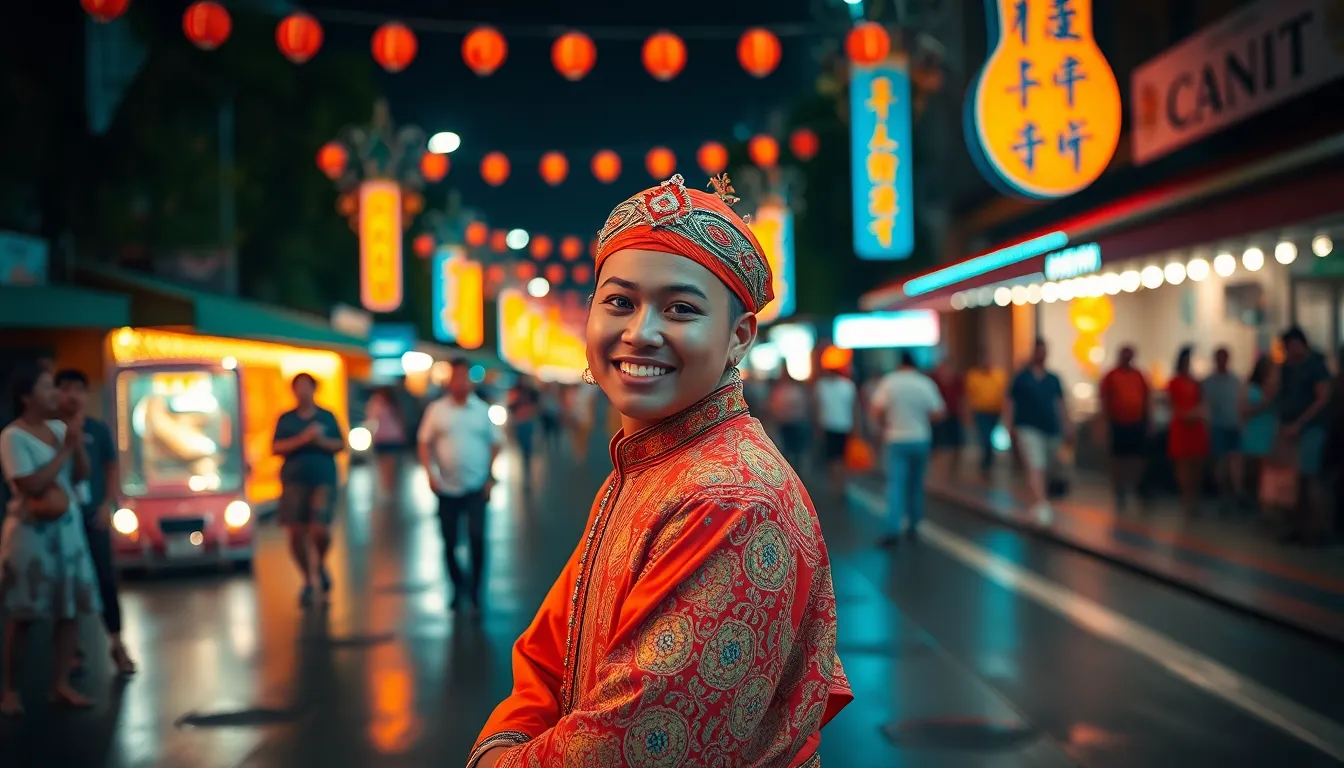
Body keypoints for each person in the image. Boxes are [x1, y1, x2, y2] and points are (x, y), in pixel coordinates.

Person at [468, 174, 851, 767]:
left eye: (680, 309)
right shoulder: (649, 461)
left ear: (738, 337)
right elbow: (549, 650)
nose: (640, 333)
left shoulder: (733, 501)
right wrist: (507, 738)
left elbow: (633, 745)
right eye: (619, 301)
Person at [0, 363, 103, 715]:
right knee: (23, 611)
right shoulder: (13, 436)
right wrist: (64, 451)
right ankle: (10, 689)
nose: (56, 395)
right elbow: (29, 485)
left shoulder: (60, 429)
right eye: (47, 388)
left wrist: (76, 445)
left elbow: (81, 475)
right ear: (26, 397)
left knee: (69, 609)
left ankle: (60, 684)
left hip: (68, 530)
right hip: (32, 533)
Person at [55, 369, 136, 676]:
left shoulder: (97, 430)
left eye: (78, 388)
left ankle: (117, 643)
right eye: (64, 388)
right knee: (65, 584)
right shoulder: (49, 430)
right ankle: (71, 651)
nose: (71, 395)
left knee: (105, 578)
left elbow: (111, 468)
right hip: (60, 518)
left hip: (94, 516)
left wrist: (107, 505)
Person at [418, 357, 502, 612]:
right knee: (450, 541)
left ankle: (475, 591)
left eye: (464, 378)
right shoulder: (436, 410)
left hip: (476, 486)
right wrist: (430, 474)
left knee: (477, 538)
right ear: (449, 381)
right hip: (446, 488)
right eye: (456, 378)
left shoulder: (481, 411)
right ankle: (457, 587)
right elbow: (424, 442)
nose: (460, 383)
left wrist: (489, 475)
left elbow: (495, 443)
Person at [271, 373, 345, 608]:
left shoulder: (327, 416)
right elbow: (275, 447)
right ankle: (309, 579)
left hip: (323, 479)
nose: (302, 391)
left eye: (306, 387)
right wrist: (304, 439)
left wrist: (320, 441)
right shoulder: (286, 419)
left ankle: (319, 564)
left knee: (319, 528)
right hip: (294, 481)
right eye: (298, 387)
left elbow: (340, 444)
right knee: (295, 532)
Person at [870, 352, 945, 546]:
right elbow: (939, 413)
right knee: (916, 484)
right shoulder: (925, 383)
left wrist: (885, 424)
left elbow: (876, 409)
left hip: (896, 439)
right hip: (921, 438)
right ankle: (914, 525)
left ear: (900, 364)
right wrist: (921, 420)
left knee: (896, 485)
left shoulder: (890, 382)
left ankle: (893, 529)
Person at [1276, 327, 1332, 544]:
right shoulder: (1289, 368)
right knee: (1295, 481)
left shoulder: (1315, 365)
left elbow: (1322, 398)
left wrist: (1299, 424)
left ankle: (1318, 530)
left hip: (1310, 429)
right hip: (1291, 429)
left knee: (1310, 479)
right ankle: (1299, 528)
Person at [1005, 339, 1070, 522]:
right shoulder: (1021, 378)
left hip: (1050, 428)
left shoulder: (1053, 379)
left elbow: (1060, 403)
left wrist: (1067, 425)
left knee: (1047, 466)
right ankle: (1041, 503)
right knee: (1035, 464)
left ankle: (1040, 500)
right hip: (1027, 427)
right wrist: (1009, 427)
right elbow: (1010, 403)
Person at [1098, 346, 1150, 512]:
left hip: (1136, 421)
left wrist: (1149, 420)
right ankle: (1119, 489)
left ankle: (1135, 485)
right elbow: (1104, 399)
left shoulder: (1139, 375)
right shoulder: (1111, 376)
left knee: (1136, 457)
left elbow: (1147, 398)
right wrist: (1104, 422)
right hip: (1118, 422)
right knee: (1118, 457)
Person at [1167, 347, 1209, 518]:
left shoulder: (1196, 383)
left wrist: (1198, 412)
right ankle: (1186, 500)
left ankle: (1194, 498)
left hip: (1196, 426)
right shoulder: (1174, 382)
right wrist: (1187, 414)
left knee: (1196, 464)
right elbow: (1174, 405)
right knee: (1183, 464)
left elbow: (1202, 401)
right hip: (1182, 426)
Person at [1203, 348, 1245, 513]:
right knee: (1220, 462)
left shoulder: (1235, 380)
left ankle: (1237, 493)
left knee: (1235, 461)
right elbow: (1206, 405)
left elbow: (1240, 403)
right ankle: (1224, 495)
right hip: (1218, 425)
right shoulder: (1209, 382)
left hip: (1233, 424)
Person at [1240, 355, 1278, 509]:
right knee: (1255, 470)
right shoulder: (1251, 388)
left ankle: (1266, 504)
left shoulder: (1276, 388)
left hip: (1270, 431)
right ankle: (1256, 502)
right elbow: (1243, 410)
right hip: (1255, 431)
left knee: (1267, 471)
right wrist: (1263, 404)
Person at [815, 363, 857, 495]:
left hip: (833, 425)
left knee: (834, 458)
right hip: (842, 425)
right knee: (838, 458)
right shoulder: (847, 385)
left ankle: (837, 484)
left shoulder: (822, 386)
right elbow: (854, 408)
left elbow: (818, 407)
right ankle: (840, 484)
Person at [964, 350, 1007, 480]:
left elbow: (1004, 394)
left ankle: (989, 461)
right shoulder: (973, 376)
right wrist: (968, 415)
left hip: (995, 412)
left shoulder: (999, 375)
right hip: (981, 412)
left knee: (992, 437)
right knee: (985, 437)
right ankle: (986, 465)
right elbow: (967, 397)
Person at [929, 358, 965, 482]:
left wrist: (965, 415)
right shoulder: (934, 381)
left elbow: (963, 398)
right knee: (939, 446)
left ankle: (952, 473)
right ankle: (939, 473)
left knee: (955, 445)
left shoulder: (957, 380)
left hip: (953, 416)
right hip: (939, 417)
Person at [769, 370, 811, 472]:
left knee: (796, 452)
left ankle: (797, 474)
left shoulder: (792, 390)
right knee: (788, 452)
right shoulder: (781, 390)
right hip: (786, 424)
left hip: (795, 423)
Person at [507, 376, 540, 484]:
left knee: (527, 448)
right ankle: (526, 470)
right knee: (523, 446)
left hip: (527, 421)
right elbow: (511, 406)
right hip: (520, 421)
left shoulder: (530, 392)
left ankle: (527, 472)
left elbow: (536, 403)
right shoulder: (516, 392)